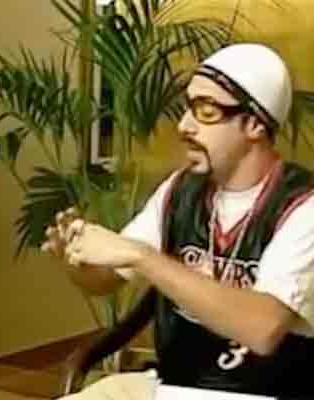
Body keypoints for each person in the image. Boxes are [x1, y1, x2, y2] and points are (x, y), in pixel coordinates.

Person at [43, 43, 314, 398]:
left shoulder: (302, 206)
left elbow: (263, 330)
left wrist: (143, 256)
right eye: (188, 107)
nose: (184, 125)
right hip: (172, 385)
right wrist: (76, 260)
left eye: (206, 111)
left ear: (254, 124)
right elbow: (105, 280)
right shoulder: (180, 190)